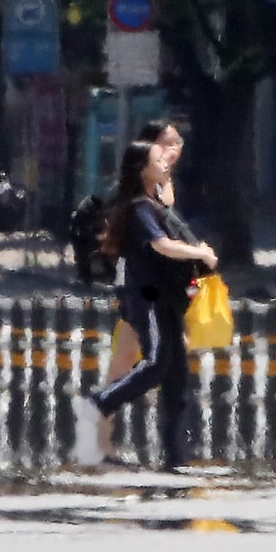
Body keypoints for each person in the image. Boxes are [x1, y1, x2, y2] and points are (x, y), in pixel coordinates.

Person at [72, 141, 218, 469]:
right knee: (155, 364)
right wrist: (200, 253)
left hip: (169, 297)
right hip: (148, 297)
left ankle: (176, 456)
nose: (165, 163)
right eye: (157, 160)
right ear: (141, 170)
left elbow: (171, 222)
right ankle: (98, 404)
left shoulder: (154, 204)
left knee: (176, 377)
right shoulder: (139, 208)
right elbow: (162, 245)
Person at [102, 120, 185, 457]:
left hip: (160, 286)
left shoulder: (162, 184)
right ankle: (99, 436)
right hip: (140, 284)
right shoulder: (143, 193)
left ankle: (171, 445)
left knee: (161, 361)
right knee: (132, 360)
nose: (175, 149)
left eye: (178, 142)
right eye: (167, 143)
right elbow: (157, 240)